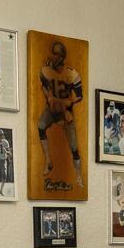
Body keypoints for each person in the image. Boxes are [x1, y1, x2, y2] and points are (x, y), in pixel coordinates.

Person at [34, 38, 83, 190]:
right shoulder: (46, 70)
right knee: (41, 126)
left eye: (55, 54)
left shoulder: (72, 74)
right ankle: (48, 161)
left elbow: (79, 95)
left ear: (61, 56)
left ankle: (78, 176)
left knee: (74, 146)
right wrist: (49, 97)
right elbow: (44, 86)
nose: (51, 56)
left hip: (65, 112)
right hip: (52, 108)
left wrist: (68, 102)